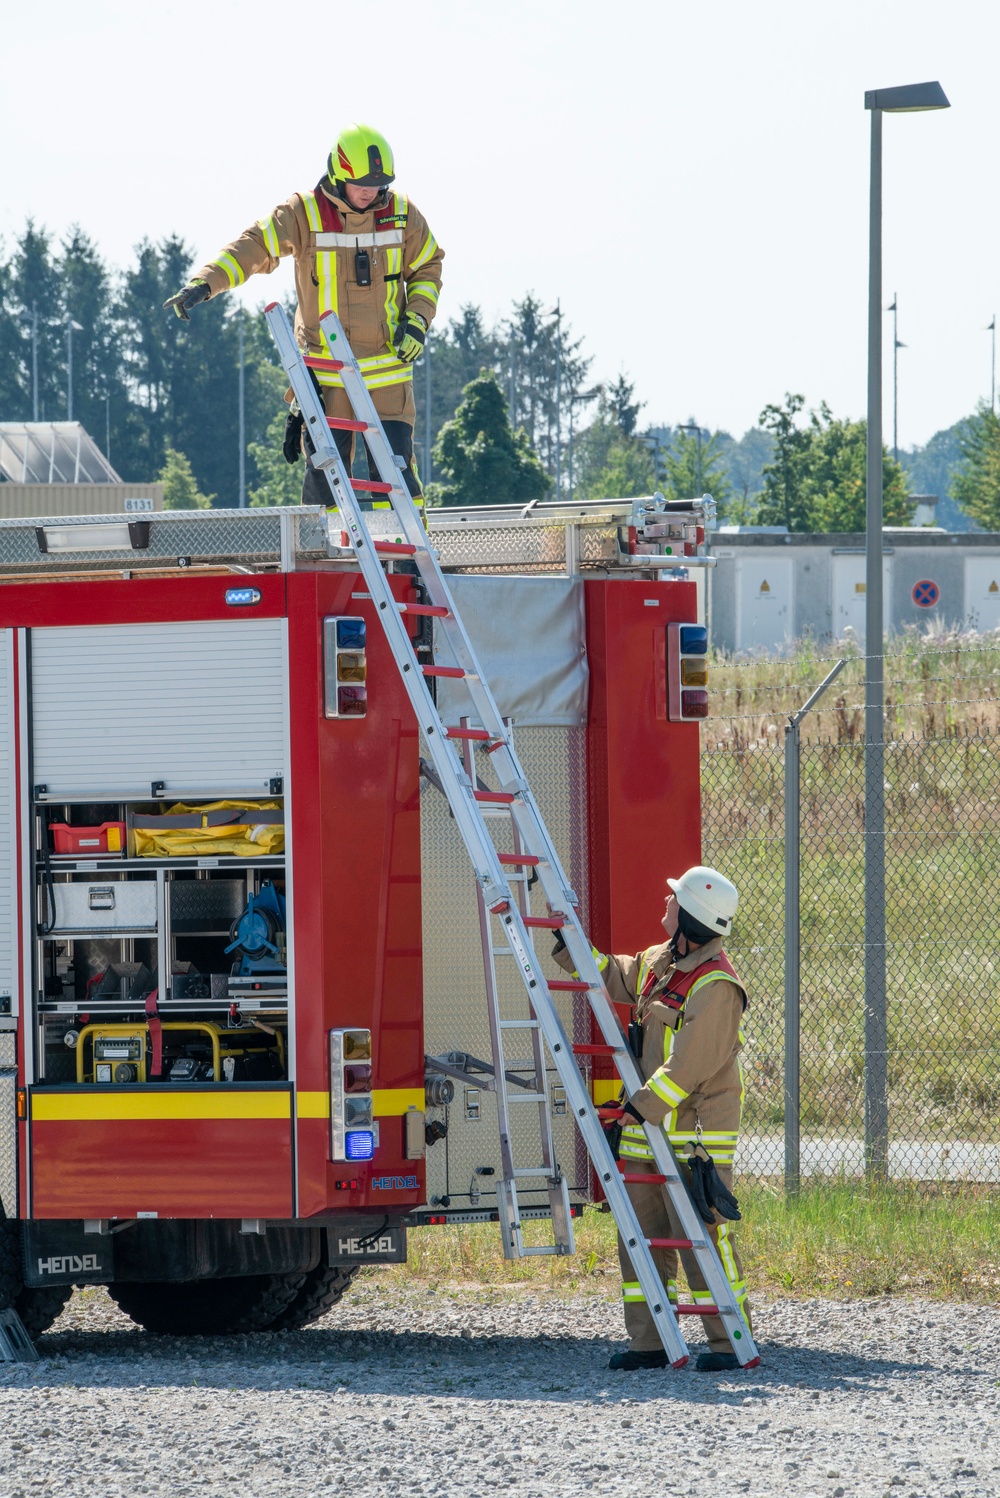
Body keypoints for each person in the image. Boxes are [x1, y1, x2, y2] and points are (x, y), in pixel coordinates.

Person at [164, 122, 443, 509]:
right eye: (361, 183)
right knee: (326, 479)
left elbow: (428, 266)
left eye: (379, 183)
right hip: (327, 377)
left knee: (395, 476)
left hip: (387, 374)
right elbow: (255, 245)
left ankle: (405, 547)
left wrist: (417, 320)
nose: (371, 191)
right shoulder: (303, 213)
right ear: (339, 173)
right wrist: (206, 283)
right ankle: (325, 547)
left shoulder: (402, 213)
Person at [555, 865, 752, 1373]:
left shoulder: (717, 986)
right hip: (647, 1134)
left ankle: (730, 1343)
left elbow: (686, 1068)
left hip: (693, 1140)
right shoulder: (660, 962)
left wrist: (636, 1107)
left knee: (702, 1241)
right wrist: (568, 944)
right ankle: (650, 1342)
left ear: (691, 917)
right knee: (640, 1239)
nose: (666, 903)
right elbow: (615, 973)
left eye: (674, 899)